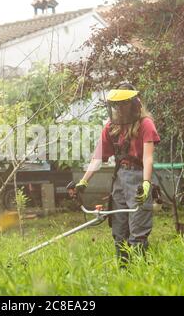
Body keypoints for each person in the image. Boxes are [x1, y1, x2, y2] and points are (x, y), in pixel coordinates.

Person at [74, 83, 160, 267]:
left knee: (138, 231)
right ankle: (123, 273)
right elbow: (98, 158)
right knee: (119, 232)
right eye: (116, 105)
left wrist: (146, 183)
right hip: (119, 180)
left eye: (123, 104)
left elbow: (148, 158)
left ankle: (140, 275)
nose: (119, 108)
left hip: (138, 177)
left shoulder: (145, 124)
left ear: (134, 103)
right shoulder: (111, 127)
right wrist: (83, 181)